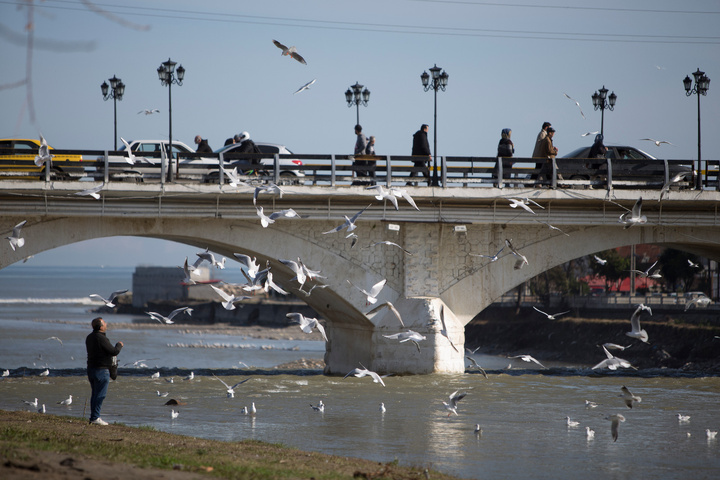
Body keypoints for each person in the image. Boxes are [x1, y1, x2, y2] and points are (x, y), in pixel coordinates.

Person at [86, 317, 123, 425]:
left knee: (95, 394)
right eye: (105, 323)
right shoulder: (101, 338)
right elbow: (114, 351)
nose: (106, 324)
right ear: (101, 327)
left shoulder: (89, 337)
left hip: (91, 369)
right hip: (101, 370)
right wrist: (119, 345)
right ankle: (95, 417)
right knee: (100, 395)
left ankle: (93, 417)